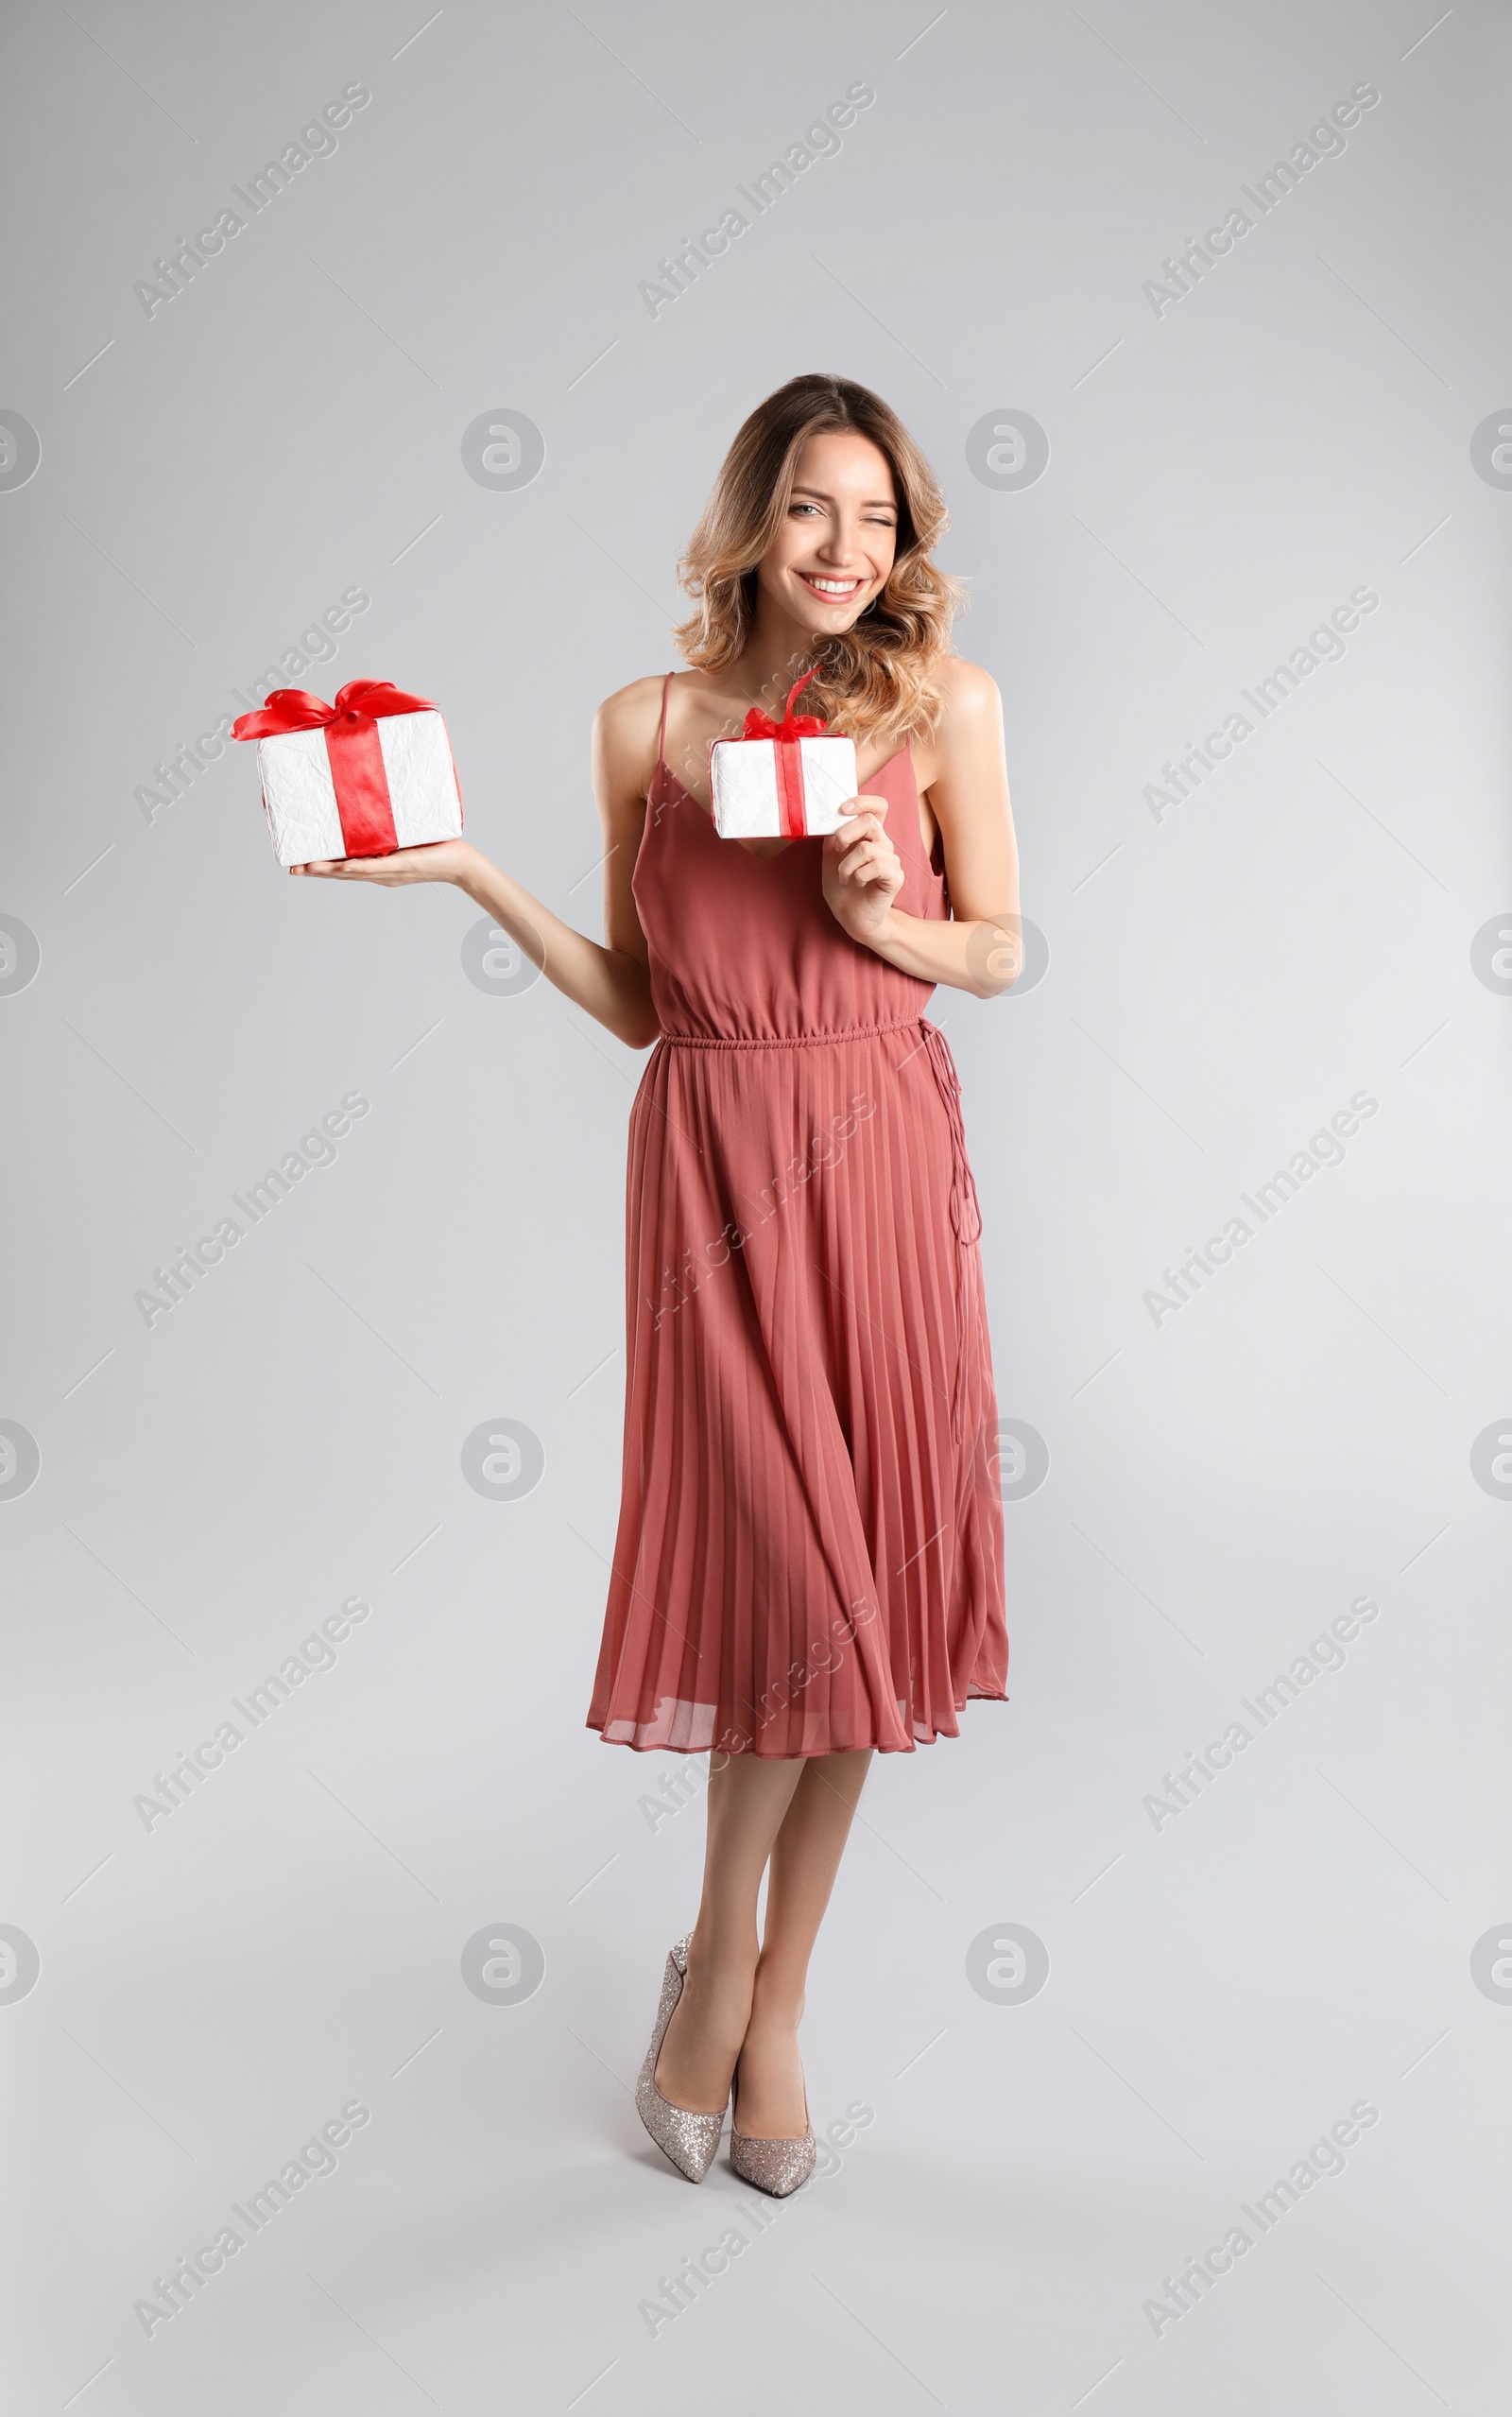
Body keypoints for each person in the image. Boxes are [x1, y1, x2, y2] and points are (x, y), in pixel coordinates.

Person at [295, 371, 1021, 2194]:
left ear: (905, 538)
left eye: (879, 517)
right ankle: (719, 1965)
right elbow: (645, 1001)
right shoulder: (646, 724)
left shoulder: (943, 710)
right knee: (789, 1596)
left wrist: (881, 919)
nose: (847, 550)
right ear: (753, 523)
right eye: (811, 510)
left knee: (865, 1609)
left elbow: (1001, 947)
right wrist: (466, 868)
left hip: (882, 1167)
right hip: (713, 1179)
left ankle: (764, 2005)